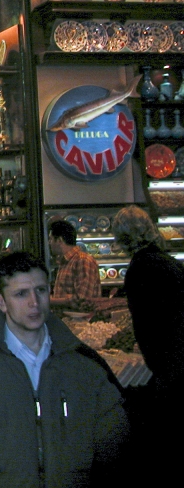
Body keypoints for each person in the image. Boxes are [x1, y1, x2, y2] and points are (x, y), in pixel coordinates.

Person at [0, 251, 129, 486]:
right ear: (0, 301)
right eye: (21, 294)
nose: (34, 302)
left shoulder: (85, 367)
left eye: (40, 290)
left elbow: (116, 456)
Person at [113, 204, 184, 478]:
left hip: (169, 364)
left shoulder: (139, 269)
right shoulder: (168, 262)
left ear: (122, 238)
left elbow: (146, 326)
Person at [49, 219, 101, 299]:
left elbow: (82, 299)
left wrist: (50, 302)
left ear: (59, 240)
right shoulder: (65, 261)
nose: (49, 243)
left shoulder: (83, 260)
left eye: (51, 239)